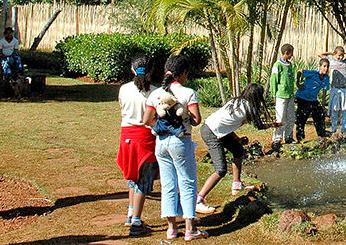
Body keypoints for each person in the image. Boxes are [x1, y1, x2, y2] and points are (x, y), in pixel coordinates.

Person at [142, 55, 207, 241]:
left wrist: (161, 126)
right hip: (181, 141)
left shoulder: (155, 93)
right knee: (187, 182)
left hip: (161, 142)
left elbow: (146, 119)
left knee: (168, 183)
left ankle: (171, 228)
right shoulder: (188, 93)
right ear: (184, 73)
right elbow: (196, 120)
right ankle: (190, 228)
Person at [195, 83, 280, 214]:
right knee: (221, 169)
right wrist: (274, 124)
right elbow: (259, 126)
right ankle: (198, 200)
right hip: (211, 133)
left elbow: (226, 124)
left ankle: (237, 184)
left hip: (212, 127)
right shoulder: (249, 108)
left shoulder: (236, 102)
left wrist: (237, 139)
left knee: (238, 150)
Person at [116, 55, 158, 237]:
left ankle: (130, 212)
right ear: (151, 71)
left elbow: (122, 109)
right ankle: (136, 222)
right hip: (145, 139)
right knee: (143, 182)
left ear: (132, 69)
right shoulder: (155, 92)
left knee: (133, 176)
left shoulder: (124, 89)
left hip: (126, 136)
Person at [319, 46, 346, 135]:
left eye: (342, 55)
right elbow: (320, 54)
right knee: (334, 110)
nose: (340, 57)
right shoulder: (331, 61)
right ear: (335, 54)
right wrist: (332, 53)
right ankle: (334, 129)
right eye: (339, 55)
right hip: (335, 89)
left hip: (344, 89)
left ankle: (343, 129)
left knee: (344, 110)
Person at [294, 59, 330, 142]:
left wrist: (323, 105)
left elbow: (324, 92)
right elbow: (300, 71)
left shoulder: (326, 78)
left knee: (320, 114)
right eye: (324, 66)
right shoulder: (314, 73)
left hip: (313, 99)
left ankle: (321, 134)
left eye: (327, 67)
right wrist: (298, 84)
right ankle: (300, 138)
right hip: (302, 97)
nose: (326, 68)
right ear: (320, 67)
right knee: (302, 118)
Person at [269, 44, 296, 147]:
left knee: (290, 117)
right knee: (280, 118)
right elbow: (274, 81)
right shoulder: (277, 65)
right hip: (281, 95)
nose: (292, 55)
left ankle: (288, 136)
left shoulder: (290, 65)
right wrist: (274, 95)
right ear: (286, 53)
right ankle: (277, 139)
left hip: (290, 95)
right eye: (291, 53)